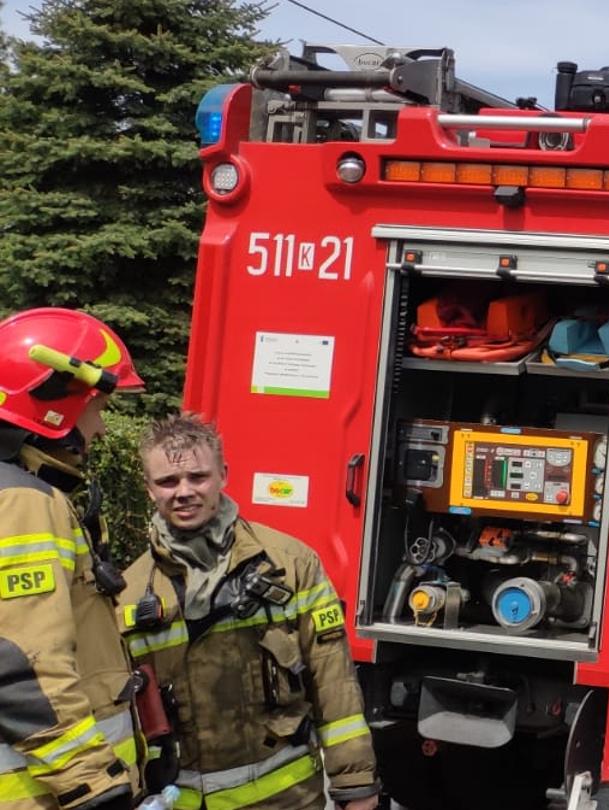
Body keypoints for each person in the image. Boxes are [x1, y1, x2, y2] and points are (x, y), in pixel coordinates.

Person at [118, 415, 378, 810]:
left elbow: (333, 682)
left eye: (198, 477)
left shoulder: (290, 564)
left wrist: (356, 785)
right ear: (149, 489)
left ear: (223, 474)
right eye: (168, 482)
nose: (184, 491)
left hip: (284, 799)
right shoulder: (129, 592)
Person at [0, 308, 145, 810]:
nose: (102, 430)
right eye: (97, 409)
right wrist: (93, 783)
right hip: (40, 794)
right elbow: (22, 662)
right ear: (55, 406)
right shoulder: (23, 503)